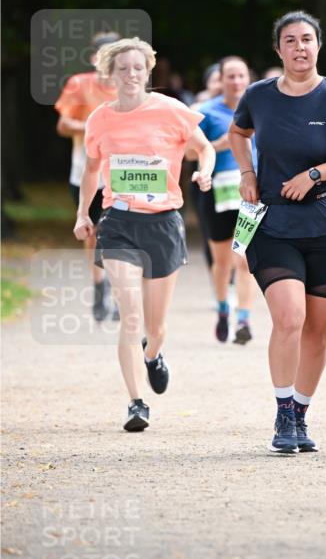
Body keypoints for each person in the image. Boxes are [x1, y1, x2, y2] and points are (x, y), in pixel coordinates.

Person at [228, 10, 326, 454]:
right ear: (279, 49)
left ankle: (300, 414)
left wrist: (314, 174)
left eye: (307, 39)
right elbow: (238, 133)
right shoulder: (258, 95)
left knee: (317, 331)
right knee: (289, 318)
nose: (299, 47)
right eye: (290, 41)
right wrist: (247, 171)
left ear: (318, 45)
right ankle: (282, 412)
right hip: (273, 225)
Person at [74, 37, 215, 432]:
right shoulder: (100, 118)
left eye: (138, 68)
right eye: (122, 69)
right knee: (130, 317)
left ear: (148, 71)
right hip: (118, 222)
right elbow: (89, 170)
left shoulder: (171, 110)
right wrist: (83, 213)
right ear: (111, 74)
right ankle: (137, 403)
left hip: (163, 222)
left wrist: (204, 171)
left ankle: (153, 355)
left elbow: (204, 149)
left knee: (155, 327)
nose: (131, 74)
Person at [54, 31, 120, 320]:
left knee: (120, 236)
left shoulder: (129, 86)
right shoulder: (79, 84)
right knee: (92, 234)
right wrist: (94, 127)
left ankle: (119, 296)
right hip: (85, 173)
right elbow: (63, 124)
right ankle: (97, 287)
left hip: (122, 174)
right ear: (95, 58)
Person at [197, 55, 258, 344]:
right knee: (222, 262)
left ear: (249, 78)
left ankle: (244, 319)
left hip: (250, 192)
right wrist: (224, 143)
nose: (236, 82)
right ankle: (223, 309)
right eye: (230, 76)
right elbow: (187, 153)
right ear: (220, 80)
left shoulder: (261, 109)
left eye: (241, 76)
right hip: (217, 193)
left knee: (245, 260)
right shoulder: (206, 112)